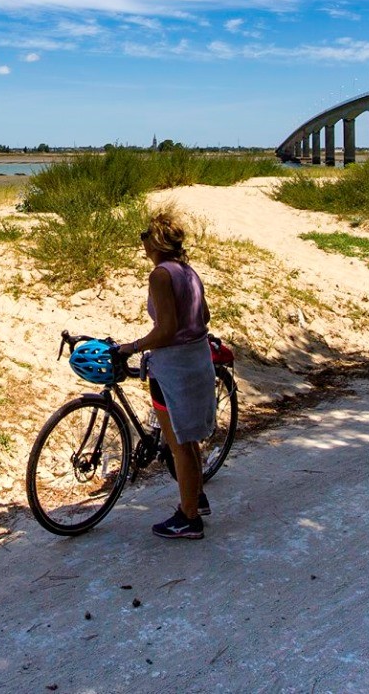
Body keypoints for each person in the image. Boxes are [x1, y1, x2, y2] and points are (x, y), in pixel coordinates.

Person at [112, 210, 215, 539]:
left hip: (173, 367)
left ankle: (188, 518)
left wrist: (132, 346)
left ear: (154, 241)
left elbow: (166, 330)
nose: (141, 240)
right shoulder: (188, 271)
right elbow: (205, 314)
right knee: (189, 441)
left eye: (145, 234)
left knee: (179, 445)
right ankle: (195, 500)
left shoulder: (160, 275)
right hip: (197, 359)